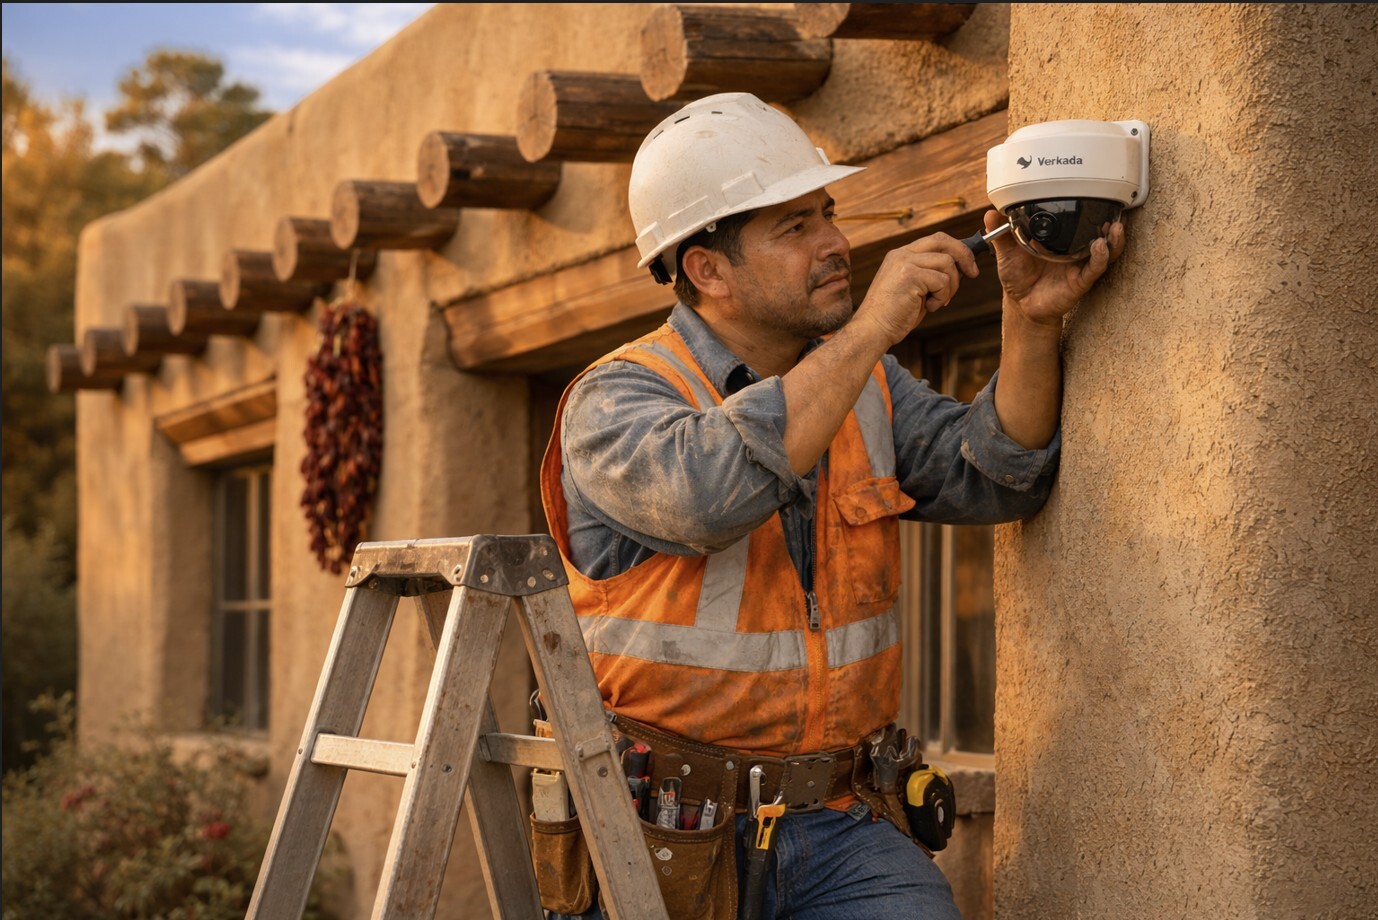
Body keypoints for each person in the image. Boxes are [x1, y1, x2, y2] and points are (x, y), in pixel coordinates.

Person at [536, 93, 1124, 920]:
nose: (836, 244)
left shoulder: (869, 388)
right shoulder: (618, 398)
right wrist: (873, 327)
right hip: (661, 831)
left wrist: (1026, 322)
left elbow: (995, 473)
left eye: (827, 215)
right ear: (707, 270)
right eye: (795, 227)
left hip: (843, 820)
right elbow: (710, 497)